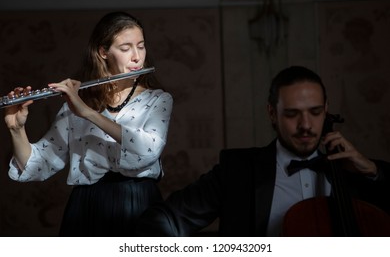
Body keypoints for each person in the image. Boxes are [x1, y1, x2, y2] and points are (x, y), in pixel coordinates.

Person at [136, 66, 389, 237]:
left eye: (315, 112)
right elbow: (167, 218)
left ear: (327, 109)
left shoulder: (356, 172)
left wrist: (374, 171)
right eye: (292, 114)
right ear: (272, 113)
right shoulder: (238, 170)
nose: (306, 126)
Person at [4, 11, 173, 236]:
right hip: (86, 208)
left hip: (138, 203)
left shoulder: (158, 100)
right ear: (103, 52)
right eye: (125, 48)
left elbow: (148, 149)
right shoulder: (77, 104)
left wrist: (88, 113)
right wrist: (16, 129)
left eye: (140, 46)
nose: (136, 57)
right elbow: (37, 165)